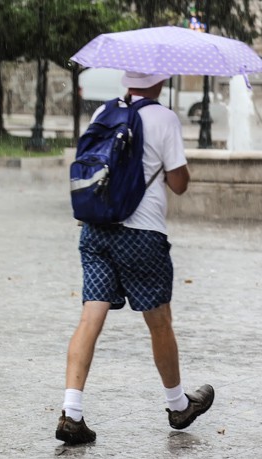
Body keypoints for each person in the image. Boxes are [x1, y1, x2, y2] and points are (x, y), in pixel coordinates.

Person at [56, 72, 214, 445]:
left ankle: (72, 413)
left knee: (89, 318)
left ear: (127, 80)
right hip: (142, 234)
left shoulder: (103, 114)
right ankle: (178, 405)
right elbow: (179, 183)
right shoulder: (164, 118)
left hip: (96, 229)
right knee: (159, 323)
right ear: (159, 81)